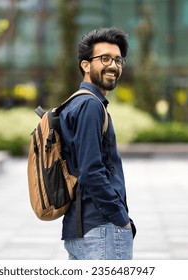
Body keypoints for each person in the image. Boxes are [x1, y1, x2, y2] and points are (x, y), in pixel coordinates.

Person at [59, 27, 136, 260]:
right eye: (104, 58)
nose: (113, 65)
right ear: (85, 65)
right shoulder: (90, 105)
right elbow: (90, 170)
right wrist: (121, 218)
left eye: (118, 60)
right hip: (101, 230)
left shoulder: (73, 103)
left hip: (79, 228)